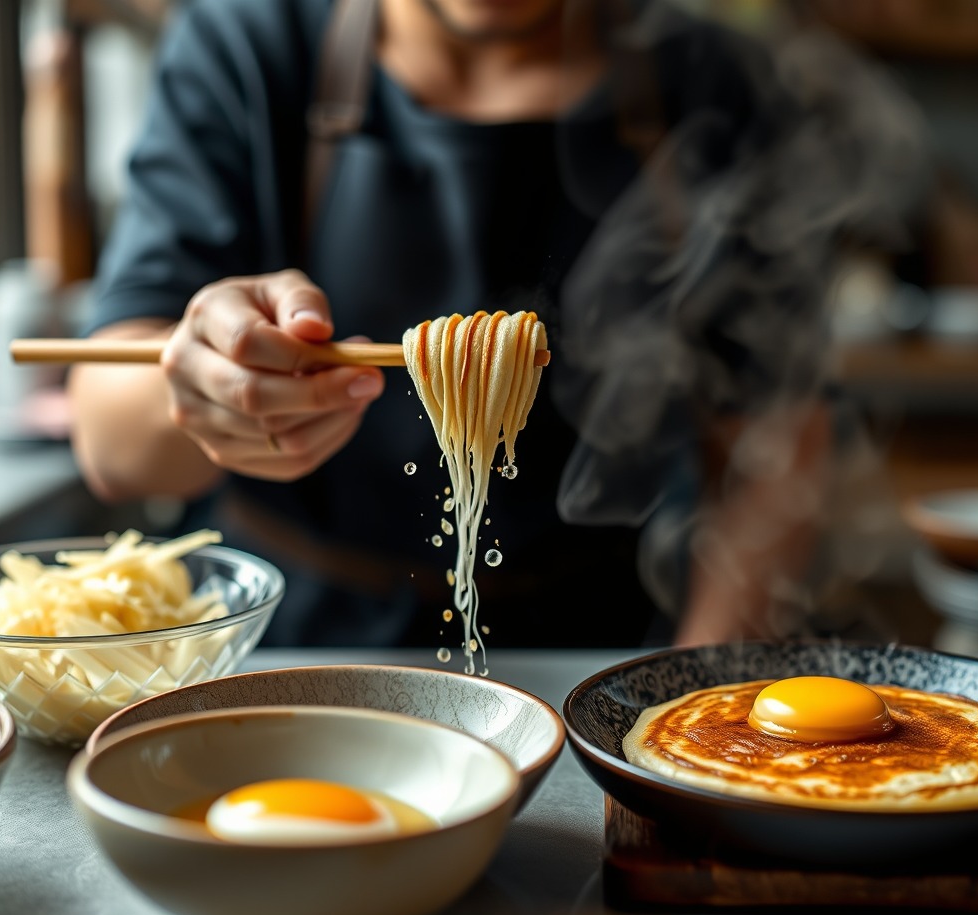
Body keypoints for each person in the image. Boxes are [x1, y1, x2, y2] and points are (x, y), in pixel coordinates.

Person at [68, 0, 835, 653]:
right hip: (285, 644)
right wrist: (208, 391)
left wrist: (690, 706)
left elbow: (773, 443)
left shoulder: (708, 81)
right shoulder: (249, 43)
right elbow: (111, 444)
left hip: (595, 653)